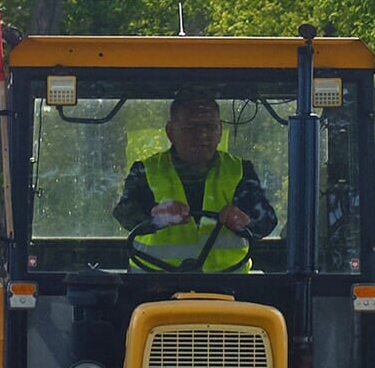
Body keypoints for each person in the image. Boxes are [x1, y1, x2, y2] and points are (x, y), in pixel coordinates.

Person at [117, 88, 276, 269]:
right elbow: (125, 214)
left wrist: (245, 221)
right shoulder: (145, 171)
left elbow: (266, 221)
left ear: (220, 130)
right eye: (190, 128)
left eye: (209, 127)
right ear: (170, 132)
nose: (201, 135)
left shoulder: (240, 171)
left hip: (228, 283)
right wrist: (155, 217)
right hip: (154, 281)